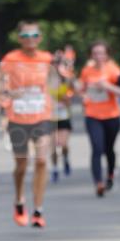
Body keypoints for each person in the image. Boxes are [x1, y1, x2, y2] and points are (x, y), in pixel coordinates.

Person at [0, 20, 56, 228]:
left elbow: (60, 82)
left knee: (41, 161)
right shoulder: (11, 58)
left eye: (34, 35)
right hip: (18, 118)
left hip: (42, 116)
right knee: (21, 165)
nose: (31, 40)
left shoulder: (47, 58)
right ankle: (19, 199)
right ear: (20, 38)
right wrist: (8, 92)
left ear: (40, 38)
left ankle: (38, 209)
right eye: (26, 36)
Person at [77, 41, 120, 196]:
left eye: (101, 53)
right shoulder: (86, 71)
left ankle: (111, 174)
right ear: (91, 55)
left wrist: (108, 86)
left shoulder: (114, 70)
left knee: (108, 149)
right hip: (92, 115)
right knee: (97, 148)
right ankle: (98, 183)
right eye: (95, 53)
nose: (98, 56)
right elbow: (82, 90)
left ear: (107, 54)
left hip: (112, 116)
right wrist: (83, 95)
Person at [49, 48, 75, 182]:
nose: (55, 65)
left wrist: (64, 97)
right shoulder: (45, 81)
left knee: (63, 144)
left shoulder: (66, 80)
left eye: (58, 62)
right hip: (49, 117)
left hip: (64, 116)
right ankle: (54, 168)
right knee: (53, 146)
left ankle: (65, 159)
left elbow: (70, 99)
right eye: (53, 62)